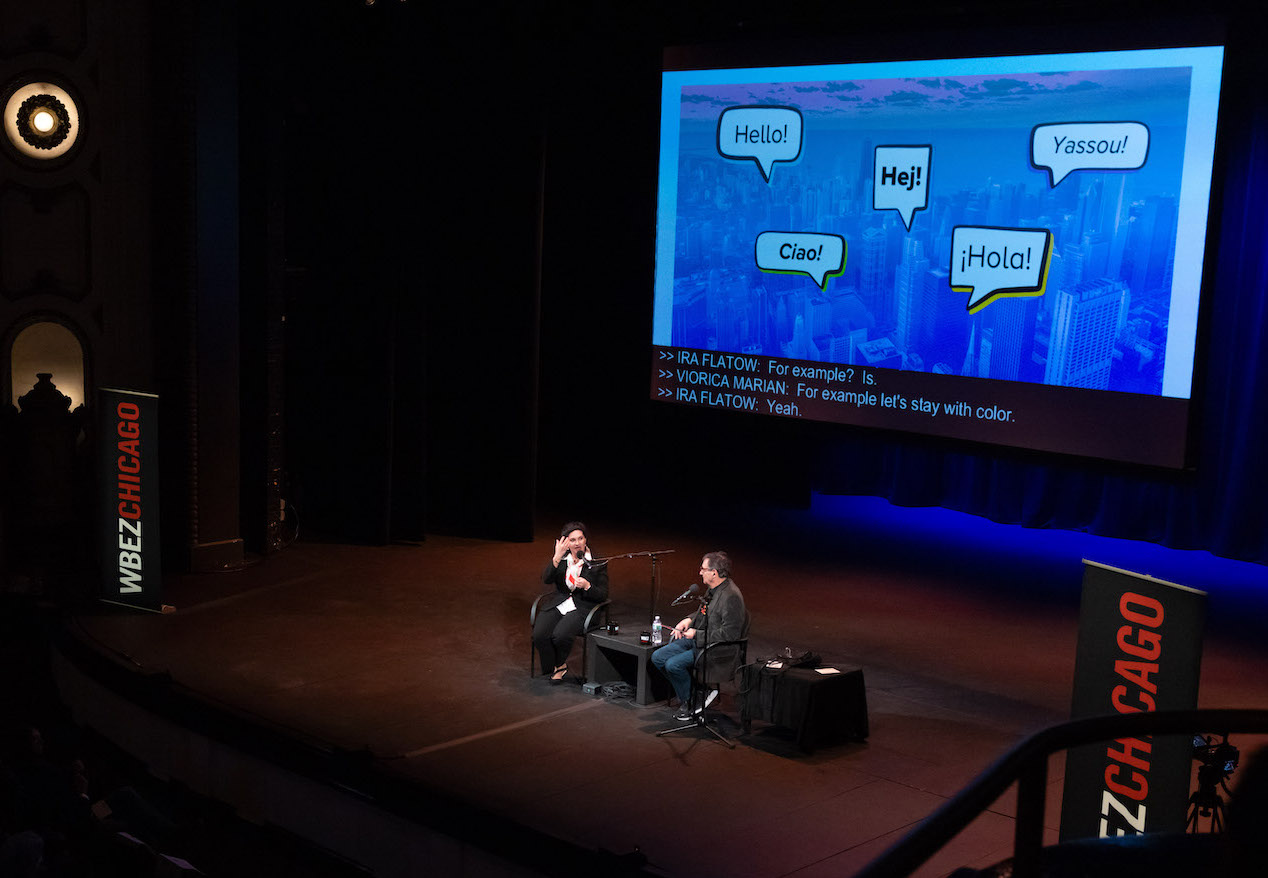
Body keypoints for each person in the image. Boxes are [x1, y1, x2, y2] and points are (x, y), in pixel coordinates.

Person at [651, 551, 748, 721]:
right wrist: (688, 620)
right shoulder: (713, 589)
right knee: (658, 657)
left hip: (717, 648)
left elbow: (731, 633)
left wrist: (697, 633)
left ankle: (689, 701)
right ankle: (697, 691)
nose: (700, 572)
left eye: (703, 569)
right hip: (699, 640)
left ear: (714, 573)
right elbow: (703, 612)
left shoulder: (731, 596)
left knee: (673, 665)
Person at [533, 521, 609, 683]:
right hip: (561, 602)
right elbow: (546, 579)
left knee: (560, 635)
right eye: (572, 540)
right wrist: (556, 557)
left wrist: (588, 586)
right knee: (539, 634)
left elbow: (603, 595)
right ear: (566, 542)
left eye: (580, 539)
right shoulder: (562, 559)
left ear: (585, 540)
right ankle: (554, 666)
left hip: (584, 606)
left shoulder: (597, 562)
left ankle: (559, 666)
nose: (577, 543)